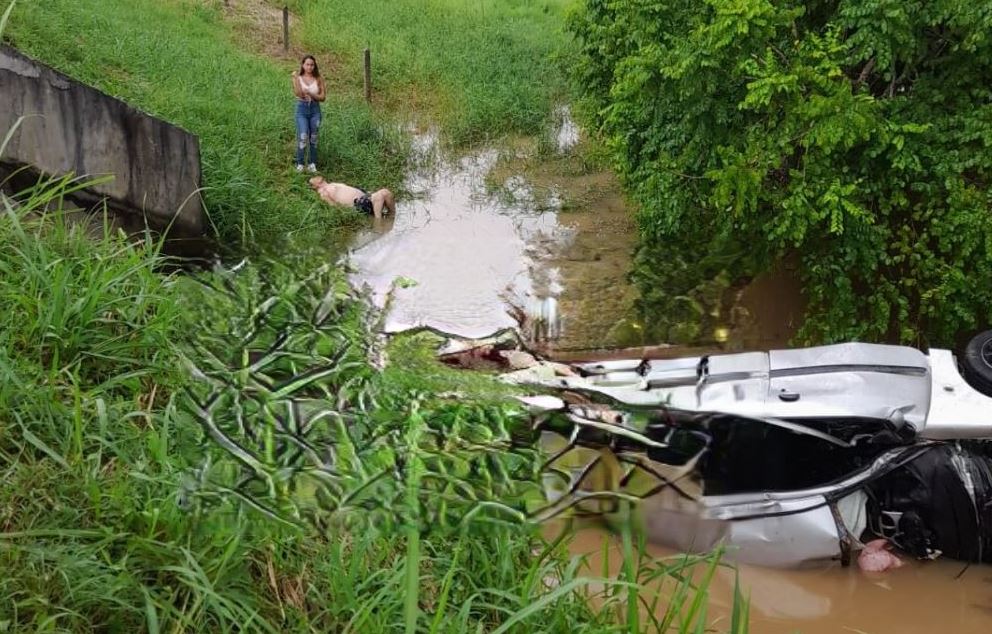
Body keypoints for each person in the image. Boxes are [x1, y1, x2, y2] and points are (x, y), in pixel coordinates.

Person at [291, 55, 326, 173]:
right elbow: (299, 94)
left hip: (315, 110)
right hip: (302, 109)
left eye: (312, 65)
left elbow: (323, 97)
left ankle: (312, 163)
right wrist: (295, 79)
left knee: (314, 137)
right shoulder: (298, 78)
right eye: (307, 64)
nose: (310, 67)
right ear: (303, 65)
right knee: (303, 135)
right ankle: (300, 163)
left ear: (314, 66)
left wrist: (311, 94)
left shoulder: (319, 78)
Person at [309, 176, 396, 219]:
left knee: (387, 193)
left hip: (366, 197)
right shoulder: (323, 192)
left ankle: (392, 216)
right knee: (382, 194)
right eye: (313, 179)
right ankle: (378, 223)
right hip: (359, 204)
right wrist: (346, 211)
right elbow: (333, 205)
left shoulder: (332, 184)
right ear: (315, 186)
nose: (316, 177)